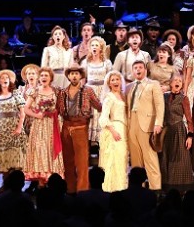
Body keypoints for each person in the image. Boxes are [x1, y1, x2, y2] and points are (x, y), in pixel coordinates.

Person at [57, 64, 102, 194]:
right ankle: (70, 188)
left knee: (82, 161)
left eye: (77, 73)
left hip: (80, 126)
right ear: (68, 76)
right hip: (66, 126)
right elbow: (58, 110)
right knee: (67, 161)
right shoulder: (62, 92)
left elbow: (99, 106)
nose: (74, 76)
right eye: (72, 74)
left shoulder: (87, 90)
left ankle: (83, 189)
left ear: (81, 76)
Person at [125, 60, 164, 191]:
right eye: (135, 68)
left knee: (150, 159)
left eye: (140, 67)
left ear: (145, 70)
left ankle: (156, 189)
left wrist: (158, 123)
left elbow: (160, 105)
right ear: (132, 71)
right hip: (132, 124)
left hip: (147, 124)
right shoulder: (129, 87)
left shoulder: (153, 84)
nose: (138, 70)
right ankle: (138, 189)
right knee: (136, 161)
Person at [23, 67, 64, 186]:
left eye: (46, 75)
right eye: (42, 76)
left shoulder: (56, 91)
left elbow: (60, 108)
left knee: (50, 149)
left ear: (51, 78)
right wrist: (37, 115)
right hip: (39, 125)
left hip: (52, 124)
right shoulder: (34, 91)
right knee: (40, 150)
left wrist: (53, 112)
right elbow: (26, 109)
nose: (44, 78)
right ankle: (41, 182)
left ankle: (52, 180)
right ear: (39, 78)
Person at [160, 75, 194, 193]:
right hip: (167, 131)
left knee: (179, 158)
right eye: (175, 80)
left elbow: (189, 118)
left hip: (179, 130)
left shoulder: (183, 98)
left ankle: (181, 188)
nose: (178, 82)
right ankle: (167, 186)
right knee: (167, 158)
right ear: (170, 83)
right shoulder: (164, 96)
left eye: (180, 81)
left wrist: (190, 136)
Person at [0, 69, 27, 179]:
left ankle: (14, 185)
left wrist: (19, 128)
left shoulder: (16, 93)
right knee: (3, 161)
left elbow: (22, 113)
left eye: (7, 77)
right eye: (2, 78)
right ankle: (5, 184)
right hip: (1, 129)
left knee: (14, 158)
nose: (5, 79)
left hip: (13, 127)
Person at [98, 70, 128, 192]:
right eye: (112, 80)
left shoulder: (123, 96)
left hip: (124, 129)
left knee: (122, 160)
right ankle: (110, 189)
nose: (115, 82)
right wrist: (113, 131)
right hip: (114, 130)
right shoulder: (109, 97)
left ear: (121, 81)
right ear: (109, 84)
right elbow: (103, 117)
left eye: (117, 79)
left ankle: (121, 187)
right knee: (113, 160)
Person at [81, 36, 112, 145]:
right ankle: (91, 142)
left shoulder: (107, 63)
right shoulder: (85, 62)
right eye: (92, 45)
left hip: (103, 91)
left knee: (101, 113)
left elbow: (109, 79)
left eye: (96, 45)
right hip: (89, 91)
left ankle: (101, 141)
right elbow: (82, 80)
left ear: (101, 48)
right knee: (91, 115)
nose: (94, 47)